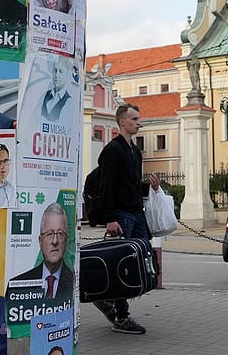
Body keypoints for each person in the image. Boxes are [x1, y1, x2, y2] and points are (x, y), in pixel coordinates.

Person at [91, 103, 159, 335]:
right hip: (121, 214)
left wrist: (148, 187)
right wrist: (110, 218)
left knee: (142, 261)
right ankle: (121, 316)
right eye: (134, 119)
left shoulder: (134, 150)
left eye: (139, 119)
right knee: (124, 265)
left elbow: (129, 185)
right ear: (122, 122)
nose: (139, 122)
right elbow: (106, 186)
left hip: (136, 213)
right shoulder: (114, 150)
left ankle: (109, 300)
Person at [9, 202, 74, 305]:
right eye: (49, 234)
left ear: (66, 240)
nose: (55, 241)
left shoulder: (74, 281)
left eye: (60, 233)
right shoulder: (16, 285)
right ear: (40, 241)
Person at [39, 54, 72, 121]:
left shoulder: (69, 101)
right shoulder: (45, 95)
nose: (57, 75)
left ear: (67, 74)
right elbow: (32, 118)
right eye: (55, 70)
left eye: (60, 71)